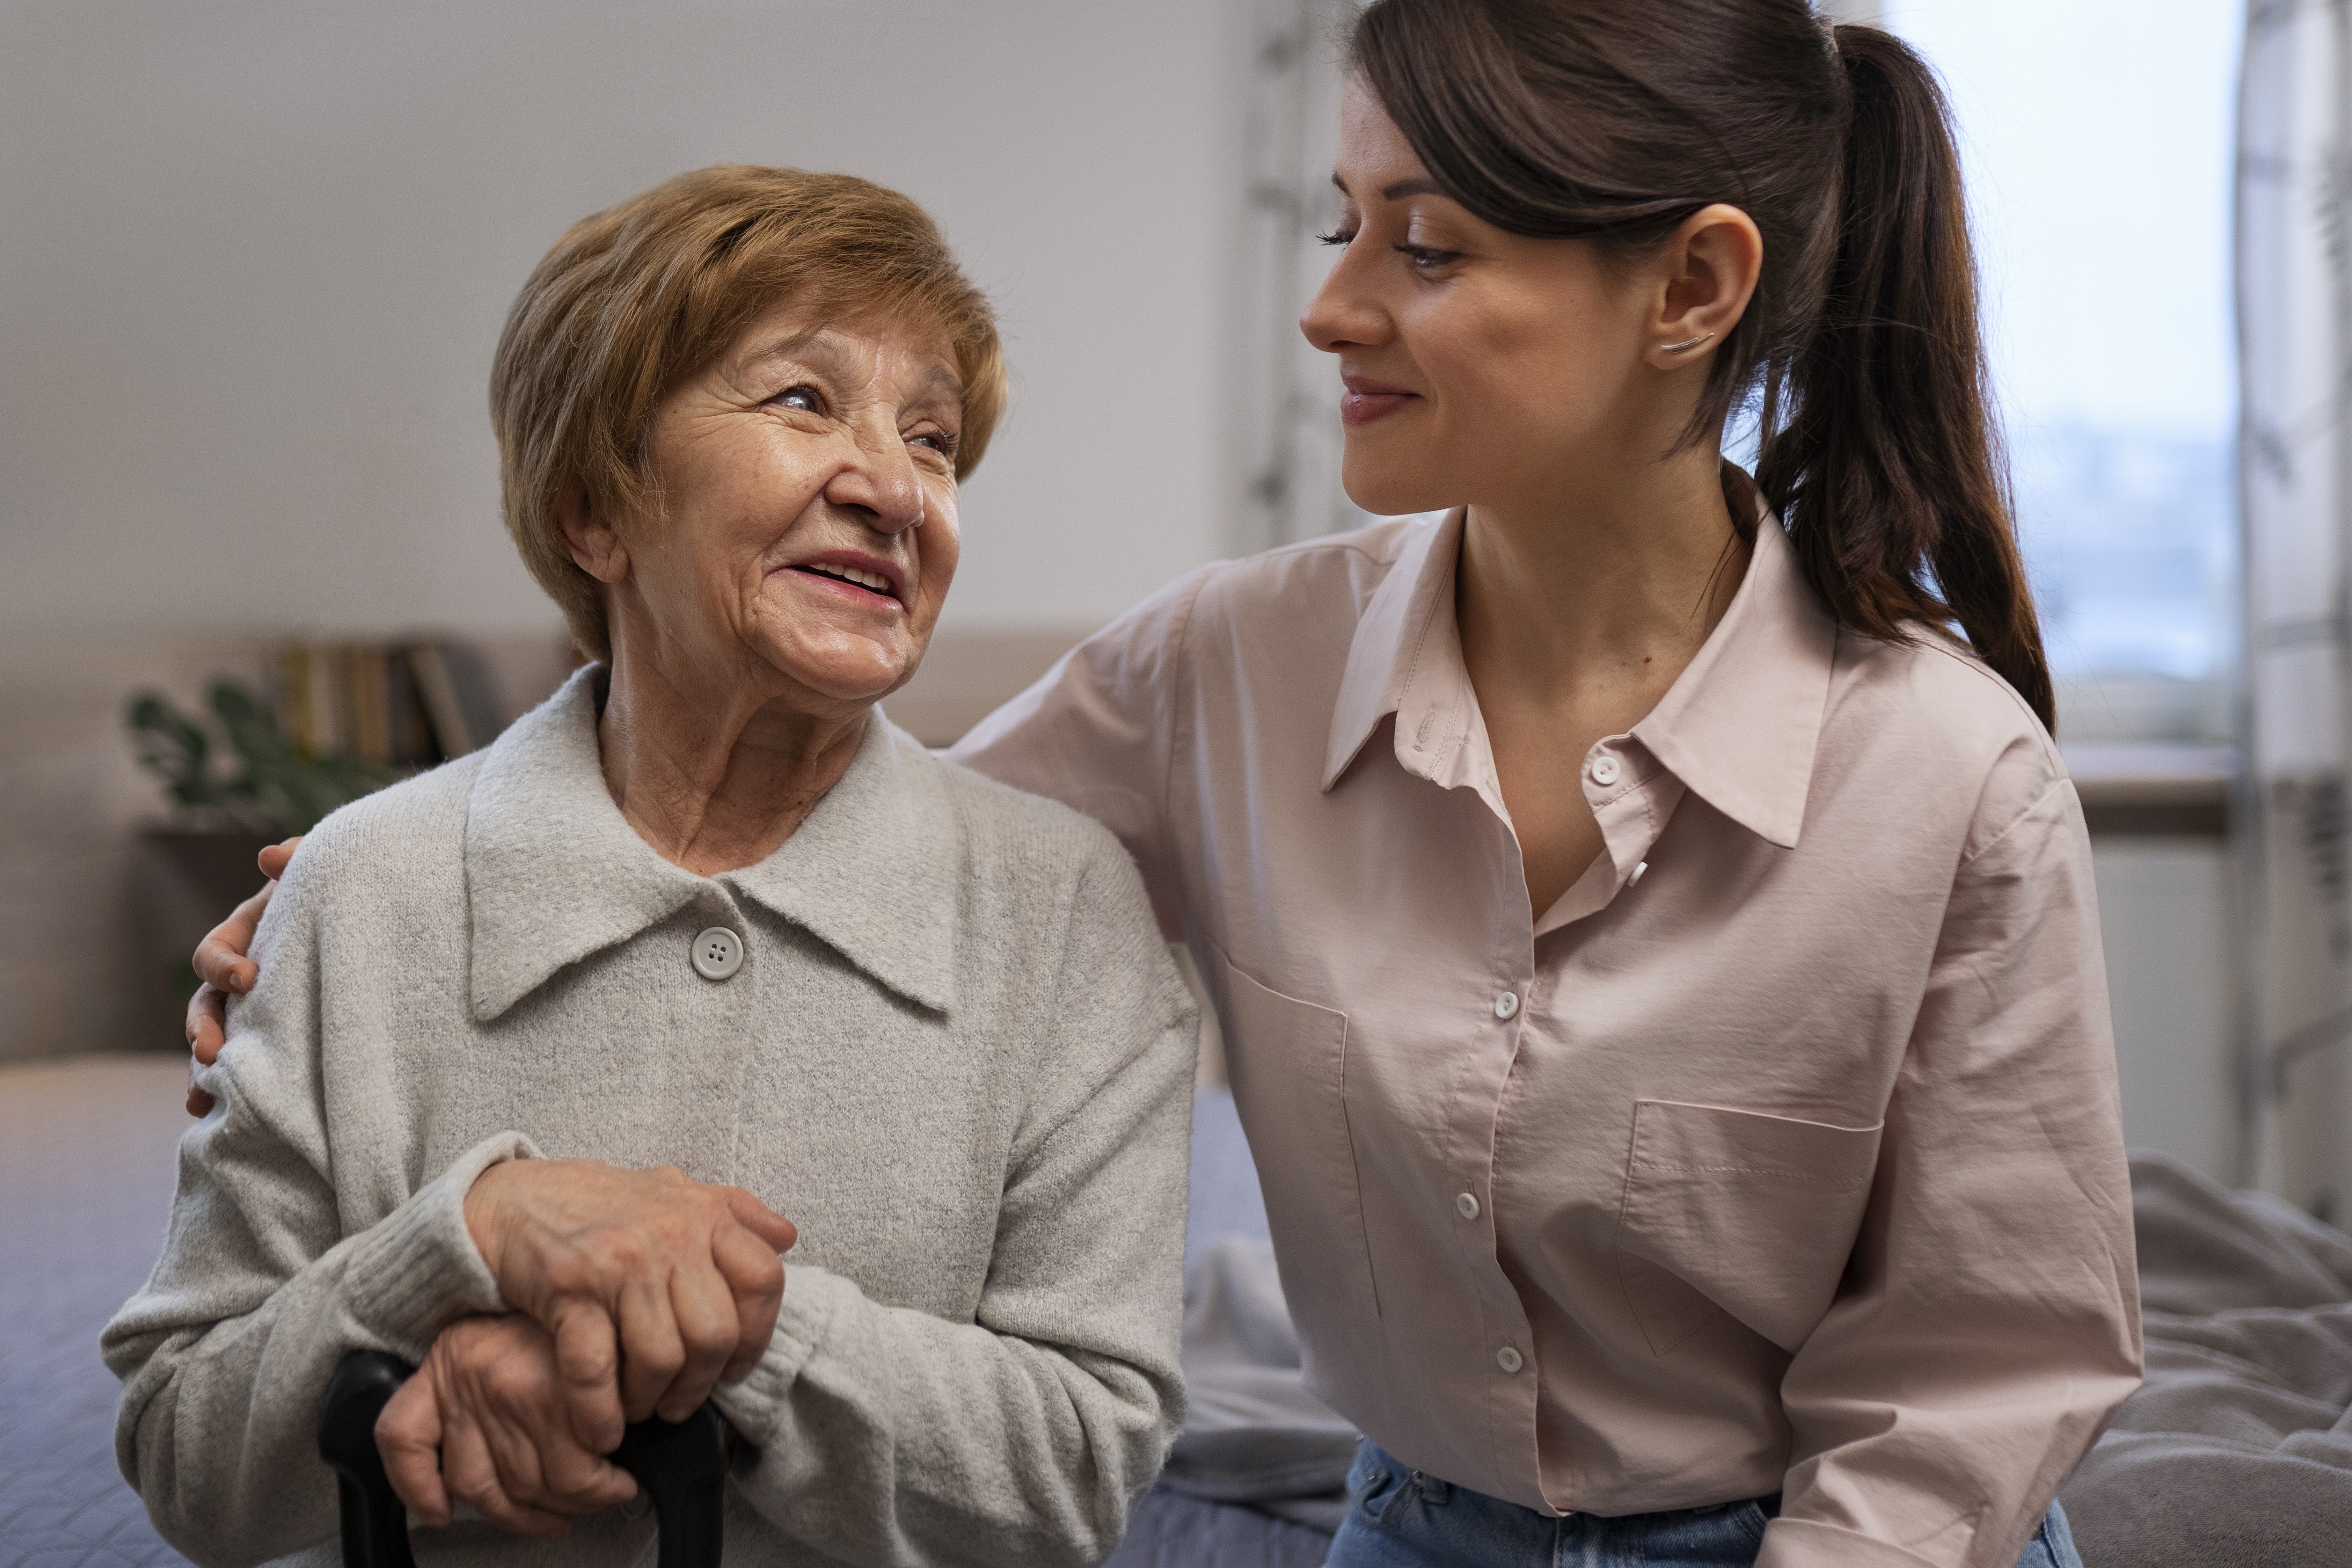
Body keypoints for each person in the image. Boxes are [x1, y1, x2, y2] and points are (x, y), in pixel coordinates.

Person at [187, 5, 2144, 1566]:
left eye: (1426, 244)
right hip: (1414, 1529)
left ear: (1689, 289)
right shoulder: (1216, 668)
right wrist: (361, 927)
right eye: (1339, 221)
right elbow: (838, 873)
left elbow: (1983, 1365)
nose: (1331, 305)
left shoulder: (1946, 777)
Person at [111, 165, 1196, 1568]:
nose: (894, 490)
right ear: (594, 514)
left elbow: (1078, 1473)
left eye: (932, 440)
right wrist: (471, 1235)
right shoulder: (363, 886)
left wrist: (724, 1323)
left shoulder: (1062, 907)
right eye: (804, 401)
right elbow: (188, 1456)